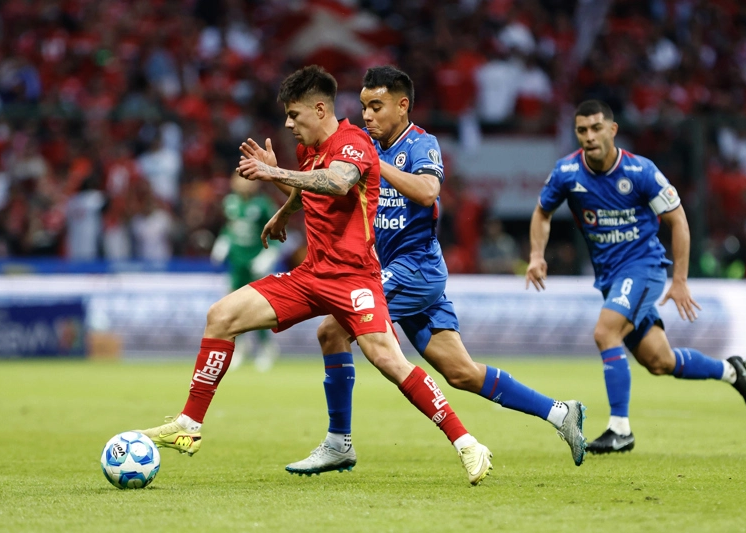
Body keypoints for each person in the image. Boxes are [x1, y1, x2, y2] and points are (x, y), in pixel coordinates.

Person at [139, 65, 494, 485]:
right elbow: (309, 189)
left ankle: (468, 443)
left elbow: (338, 183)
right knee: (222, 316)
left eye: (294, 115)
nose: (288, 124)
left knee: (387, 359)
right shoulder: (312, 149)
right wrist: (281, 210)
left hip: (355, 279)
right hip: (311, 275)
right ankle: (189, 423)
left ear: (320, 108)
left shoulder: (356, 143)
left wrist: (274, 173)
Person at [270, 66, 586, 477]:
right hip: (394, 271)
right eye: (364, 106)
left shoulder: (421, 144)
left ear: (402, 106)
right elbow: (328, 194)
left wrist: (372, 165)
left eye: (376, 106)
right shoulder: (360, 144)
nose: (367, 115)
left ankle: (339, 442)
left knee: (332, 330)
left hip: (413, 268)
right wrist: (283, 197)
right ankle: (560, 412)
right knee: (461, 373)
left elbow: (428, 191)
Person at [526, 99, 746, 454]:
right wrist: (536, 256)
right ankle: (731, 370)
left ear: (612, 130)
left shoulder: (641, 172)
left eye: (596, 128)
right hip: (610, 278)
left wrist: (679, 280)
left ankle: (620, 430)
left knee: (605, 332)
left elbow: (678, 220)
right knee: (659, 361)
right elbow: (542, 213)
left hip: (644, 268)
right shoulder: (566, 173)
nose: (589, 137)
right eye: (582, 130)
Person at [211, 171, 281, 371]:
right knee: (233, 309)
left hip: (256, 263)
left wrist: (268, 256)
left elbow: (277, 231)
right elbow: (229, 228)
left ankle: (266, 348)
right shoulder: (230, 203)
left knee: (258, 310)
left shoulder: (263, 205)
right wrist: (222, 242)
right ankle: (240, 349)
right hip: (237, 264)